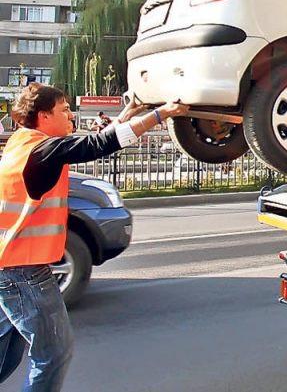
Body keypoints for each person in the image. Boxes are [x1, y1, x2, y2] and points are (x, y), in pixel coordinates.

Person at [0, 83, 188, 390]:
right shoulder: (44, 151)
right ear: (44, 116)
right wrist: (160, 114)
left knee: (6, 353)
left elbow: (94, 141)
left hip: (9, 268)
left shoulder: (22, 144)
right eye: (64, 110)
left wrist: (128, 113)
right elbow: (98, 145)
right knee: (54, 354)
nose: (71, 116)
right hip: (25, 273)